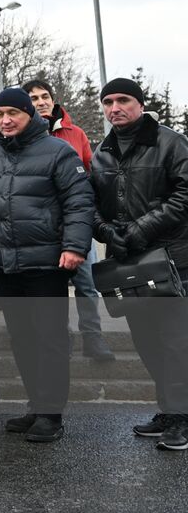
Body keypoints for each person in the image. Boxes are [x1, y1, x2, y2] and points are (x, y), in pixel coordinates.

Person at [0, 87, 94, 443]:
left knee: (49, 339)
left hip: (47, 265)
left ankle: (52, 414)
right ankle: (36, 406)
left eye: (13, 114)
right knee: (22, 339)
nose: (6, 120)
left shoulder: (58, 152)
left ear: (30, 115)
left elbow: (80, 203)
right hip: (5, 265)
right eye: (0, 115)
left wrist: (74, 246)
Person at [90, 77, 188, 451]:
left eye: (123, 100)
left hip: (173, 261)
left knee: (177, 342)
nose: (115, 107)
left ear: (139, 103)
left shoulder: (171, 142)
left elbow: (184, 195)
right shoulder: (102, 153)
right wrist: (106, 232)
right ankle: (168, 410)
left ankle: (182, 416)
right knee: (147, 343)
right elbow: (93, 206)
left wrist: (141, 229)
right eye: (108, 101)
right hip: (129, 263)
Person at [22, 78, 112, 361]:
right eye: (34, 98)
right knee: (52, 289)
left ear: (53, 98)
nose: (41, 102)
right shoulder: (20, 135)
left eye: (44, 96)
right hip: (42, 226)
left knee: (87, 285)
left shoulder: (76, 133)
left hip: (76, 222)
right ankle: (62, 337)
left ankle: (93, 338)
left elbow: (89, 176)